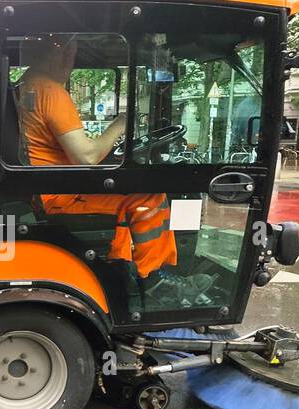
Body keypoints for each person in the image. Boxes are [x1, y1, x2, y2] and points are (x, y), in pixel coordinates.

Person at [14, 35, 180, 297]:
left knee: (128, 194)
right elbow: (87, 157)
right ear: (63, 53)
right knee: (149, 197)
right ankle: (154, 279)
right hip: (59, 197)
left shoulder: (24, 86)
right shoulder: (50, 92)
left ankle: (122, 267)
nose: (71, 63)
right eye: (72, 54)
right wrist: (121, 123)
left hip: (48, 189)